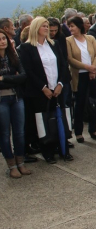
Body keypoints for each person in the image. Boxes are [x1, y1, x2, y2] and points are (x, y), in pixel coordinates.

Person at [18, 17, 73, 163]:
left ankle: (63, 149)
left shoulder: (53, 44)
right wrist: (43, 88)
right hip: (39, 92)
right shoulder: (26, 48)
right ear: (36, 28)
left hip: (57, 89)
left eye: (47, 26)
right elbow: (29, 72)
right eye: (44, 26)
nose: (47, 28)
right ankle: (47, 151)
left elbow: (62, 65)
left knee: (60, 119)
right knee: (43, 121)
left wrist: (60, 84)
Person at [66, 16, 96, 143]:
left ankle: (93, 129)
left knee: (93, 102)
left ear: (79, 26)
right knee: (80, 104)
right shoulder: (68, 41)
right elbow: (70, 59)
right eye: (69, 26)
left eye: (72, 26)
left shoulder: (90, 38)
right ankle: (79, 132)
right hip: (79, 75)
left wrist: (92, 69)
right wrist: (86, 67)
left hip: (92, 75)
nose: (70, 28)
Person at [0, 30, 31, 178]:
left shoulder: (13, 56)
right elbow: (18, 77)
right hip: (1, 101)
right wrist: (13, 78)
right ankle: (11, 165)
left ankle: (21, 163)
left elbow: (24, 76)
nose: (2, 41)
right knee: (5, 134)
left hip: (17, 98)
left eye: (4, 38)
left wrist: (4, 79)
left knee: (19, 132)